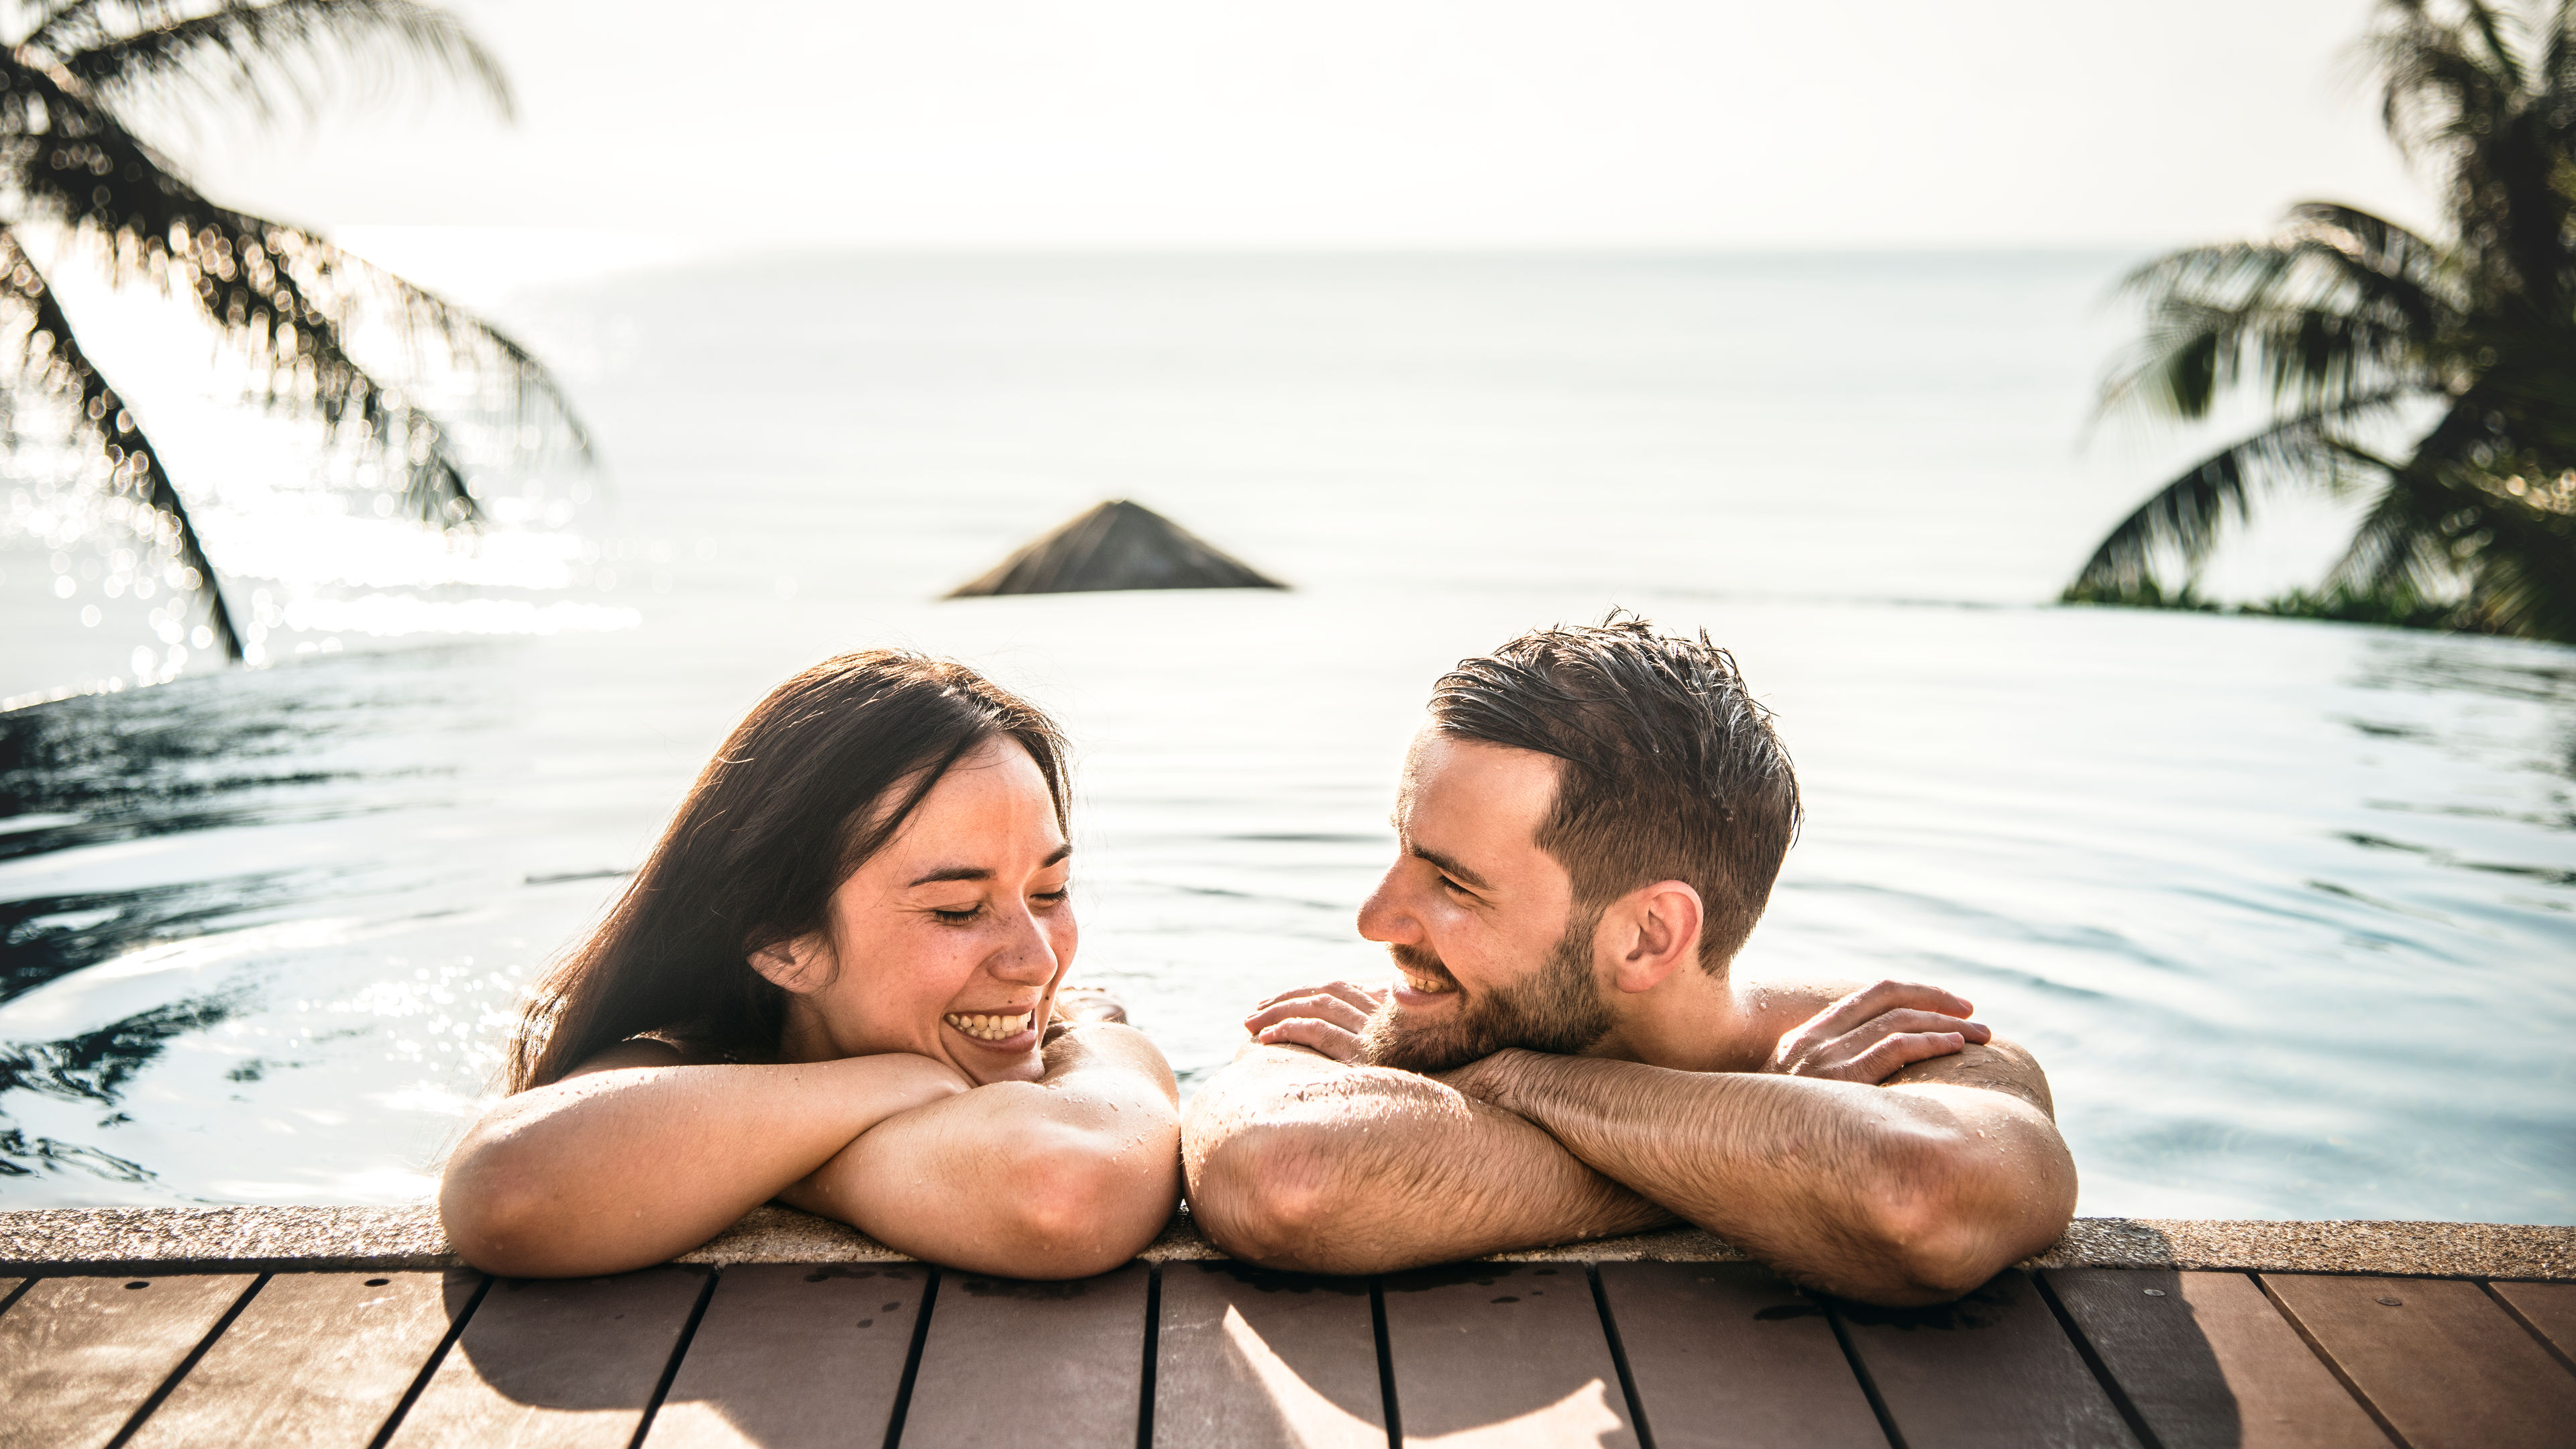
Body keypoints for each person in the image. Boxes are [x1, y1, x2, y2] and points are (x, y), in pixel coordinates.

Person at [1182, 615, 2077, 1306]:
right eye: (1401, 853)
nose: (1377, 921)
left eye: (1453, 883)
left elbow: (1927, 1202)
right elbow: (1279, 1174)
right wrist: (1768, 1155)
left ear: (1651, 935)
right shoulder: (1377, 1028)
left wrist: (1518, 1083)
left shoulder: (1898, 1042)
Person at [441, 651, 1181, 1279]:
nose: (1038, 958)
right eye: (957, 909)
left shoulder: (1068, 1043)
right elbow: (505, 1190)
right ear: (783, 943)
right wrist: (909, 1081)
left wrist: (1094, 1034)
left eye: (1049, 892)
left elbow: (1062, 1185)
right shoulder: (670, 1068)